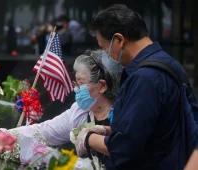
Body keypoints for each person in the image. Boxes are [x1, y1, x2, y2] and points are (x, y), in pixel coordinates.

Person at [73, 4, 198, 170]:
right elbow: (151, 130)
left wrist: (88, 138)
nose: (106, 56)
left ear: (119, 39)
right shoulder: (170, 64)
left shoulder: (146, 78)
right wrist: (110, 131)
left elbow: (125, 148)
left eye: (104, 48)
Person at [0, 50, 120, 169]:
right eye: (75, 83)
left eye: (80, 83)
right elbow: (41, 132)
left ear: (102, 86)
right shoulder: (80, 111)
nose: (75, 89)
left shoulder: (124, 114)